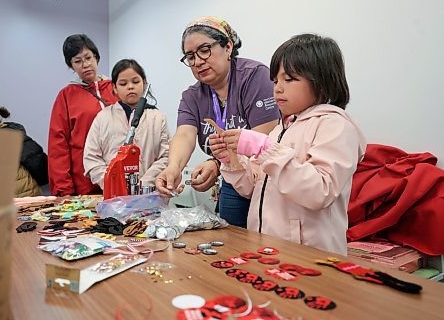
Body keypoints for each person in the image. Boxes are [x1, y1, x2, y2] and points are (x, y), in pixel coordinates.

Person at [209, 34, 366, 255]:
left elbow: (321, 191)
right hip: (269, 251)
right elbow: (252, 189)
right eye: (275, 81)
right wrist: (230, 159)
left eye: (289, 79)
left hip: (311, 256)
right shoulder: (280, 129)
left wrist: (263, 148)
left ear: (321, 80)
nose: (277, 89)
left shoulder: (335, 125)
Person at [155, 16, 280, 228]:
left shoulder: (254, 77)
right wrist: (173, 168)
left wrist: (215, 163)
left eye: (205, 50)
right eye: (190, 56)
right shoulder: (192, 95)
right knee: (231, 242)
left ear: (228, 47)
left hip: (265, 179)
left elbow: (264, 137)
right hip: (232, 180)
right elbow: (184, 134)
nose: (198, 61)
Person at [48, 34, 118, 196]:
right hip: (84, 183)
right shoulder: (66, 96)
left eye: (88, 58)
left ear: (97, 58)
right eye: (77, 61)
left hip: (119, 177)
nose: (85, 65)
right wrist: (63, 189)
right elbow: (58, 145)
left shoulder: (115, 88)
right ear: (71, 66)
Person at [83, 59, 170, 190]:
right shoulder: (102, 118)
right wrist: (112, 182)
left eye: (135, 82)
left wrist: (145, 182)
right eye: (123, 83)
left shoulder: (158, 117)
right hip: (113, 195)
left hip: (150, 194)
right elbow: (91, 158)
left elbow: (167, 156)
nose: (130, 87)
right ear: (114, 88)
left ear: (144, 83)